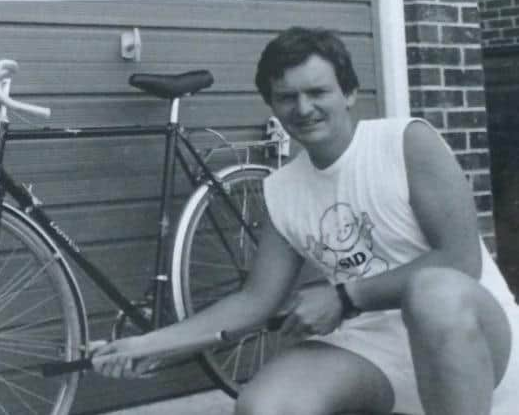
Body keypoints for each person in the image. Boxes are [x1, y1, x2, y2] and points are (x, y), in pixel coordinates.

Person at [92, 26, 519, 415]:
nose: (304, 108)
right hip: (376, 350)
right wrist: (147, 345)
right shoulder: (281, 189)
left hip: (469, 343)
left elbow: (460, 261)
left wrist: (345, 297)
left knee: (434, 291)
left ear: (348, 93)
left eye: (318, 92)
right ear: (272, 105)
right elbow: (256, 300)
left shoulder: (405, 142)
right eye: (287, 97)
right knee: (263, 407)